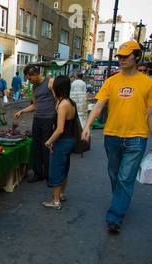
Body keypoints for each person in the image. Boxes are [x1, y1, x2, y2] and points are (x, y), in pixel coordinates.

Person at [81, 41, 152, 233]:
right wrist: (87, 126)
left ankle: (115, 217)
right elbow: (98, 105)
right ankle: (121, 201)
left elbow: (150, 113)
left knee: (125, 177)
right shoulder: (111, 81)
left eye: (125, 56)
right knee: (114, 174)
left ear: (137, 56)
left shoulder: (148, 82)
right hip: (112, 135)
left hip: (137, 137)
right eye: (119, 56)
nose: (121, 59)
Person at [14, 65, 55, 184]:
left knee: (46, 147)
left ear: (36, 74)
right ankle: (38, 174)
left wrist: (56, 121)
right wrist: (21, 111)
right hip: (37, 118)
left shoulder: (50, 83)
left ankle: (48, 175)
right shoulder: (33, 87)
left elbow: (58, 102)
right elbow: (34, 105)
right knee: (36, 146)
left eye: (30, 79)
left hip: (49, 118)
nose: (29, 81)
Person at [43, 75, 76, 210]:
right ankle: (61, 194)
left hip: (61, 141)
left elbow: (60, 129)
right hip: (70, 140)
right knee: (64, 169)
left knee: (57, 170)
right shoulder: (69, 101)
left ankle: (56, 201)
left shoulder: (62, 105)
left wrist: (48, 142)